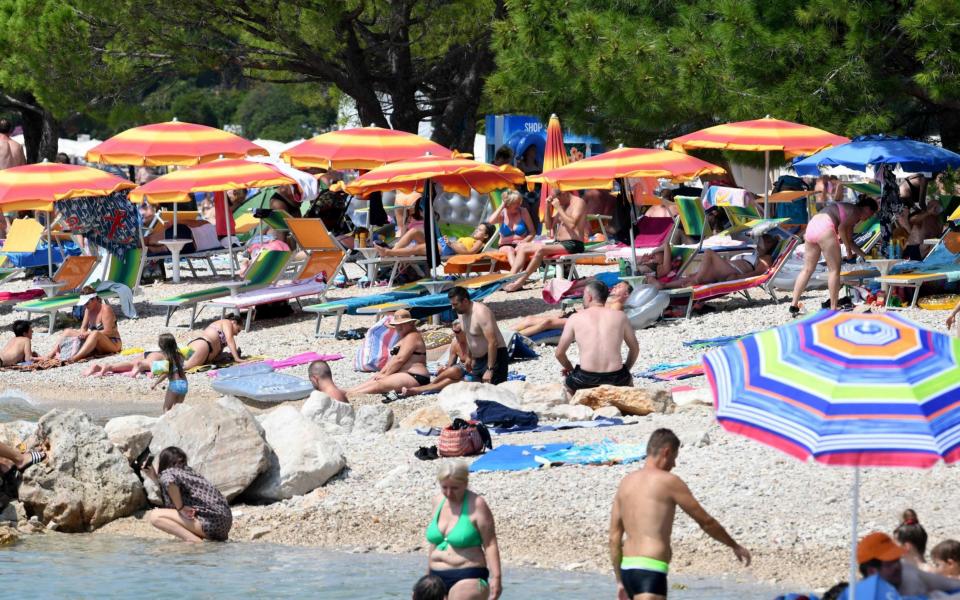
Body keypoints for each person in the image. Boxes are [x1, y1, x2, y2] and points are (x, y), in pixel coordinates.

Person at [609, 429, 750, 600]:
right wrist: (733, 545)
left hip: (627, 570)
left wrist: (620, 581)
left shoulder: (625, 483)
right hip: (651, 570)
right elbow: (706, 521)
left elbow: (614, 538)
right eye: (674, 458)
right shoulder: (669, 481)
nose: (674, 465)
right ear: (666, 452)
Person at [426, 460, 501, 600]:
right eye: (444, 487)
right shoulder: (437, 501)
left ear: (465, 484)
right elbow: (435, 543)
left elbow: (490, 543)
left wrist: (496, 578)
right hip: (435, 575)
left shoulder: (477, 504)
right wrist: (426, 576)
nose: (449, 493)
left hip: (468, 575)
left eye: (454, 488)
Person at [789, 198, 878, 314]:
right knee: (834, 270)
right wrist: (848, 250)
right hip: (825, 228)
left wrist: (865, 256)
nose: (869, 218)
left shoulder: (851, 216)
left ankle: (793, 304)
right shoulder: (855, 211)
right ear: (866, 208)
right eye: (871, 214)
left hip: (812, 227)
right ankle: (833, 307)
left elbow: (850, 241)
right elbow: (841, 230)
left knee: (807, 269)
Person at [555, 280, 639, 395]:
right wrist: (626, 370)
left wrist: (571, 370)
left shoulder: (575, 318)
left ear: (589, 296)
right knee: (629, 383)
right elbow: (635, 349)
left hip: (585, 379)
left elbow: (559, 353)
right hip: (617, 379)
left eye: (584, 295)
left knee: (567, 386)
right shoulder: (620, 316)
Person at [503, 190, 587, 292]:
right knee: (523, 247)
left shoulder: (578, 202)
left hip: (573, 243)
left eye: (556, 198)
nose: (556, 201)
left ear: (564, 193)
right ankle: (509, 278)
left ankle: (520, 282)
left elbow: (572, 225)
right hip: (559, 243)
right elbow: (549, 225)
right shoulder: (563, 204)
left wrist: (558, 208)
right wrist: (547, 206)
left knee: (541, 250)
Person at [143, 446, 232, 542]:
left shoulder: (168, 473)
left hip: (212, 523)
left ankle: (194, 541)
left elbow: (168, 479)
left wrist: (180, 508)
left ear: (163, 462)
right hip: (224, 524)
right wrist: (154, 478)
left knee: (155, 516)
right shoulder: (189, 473)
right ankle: (196, 543)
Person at [347, 309, 431, 397]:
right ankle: (349, 392)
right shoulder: (405, 337)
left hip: (416, 376)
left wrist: (386, 374)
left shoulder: (413, 336)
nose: (399, 327)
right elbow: (393, 360)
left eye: (402, 324)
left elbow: (400, 359)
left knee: (380, 384)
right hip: (404, 374)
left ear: (410, 323)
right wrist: (381, 373)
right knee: (375, 380)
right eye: (397, 325)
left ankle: (352, 394)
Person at [648, 235, 779, 290]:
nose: (761, 242)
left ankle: (697, 281)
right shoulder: (753, 253)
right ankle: (663, 286)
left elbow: (759, 272)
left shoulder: (766, 258)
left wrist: (738, 278)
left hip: (734, 272)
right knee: (691, 276)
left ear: (770, 246)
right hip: (727, 269)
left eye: (766, 241)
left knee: (709, 253)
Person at [513, 281, 633, 338]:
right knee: (529, 319)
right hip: (575, 315)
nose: (616, 286)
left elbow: (606, 320)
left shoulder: (616, 305)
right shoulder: (608, 300)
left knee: (547, 323)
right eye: (617, 285)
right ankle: (507, 333)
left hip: (582, 320)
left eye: (620, 287)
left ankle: (515, 337)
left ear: (626, 294)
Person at [388, 320, 473, 401]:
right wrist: (443, 370)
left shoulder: (475, 343)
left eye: (457, 331)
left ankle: (419, 389)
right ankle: (420, 389)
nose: (454, 334)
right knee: (452, 373)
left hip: (473, 371)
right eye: (453, 331)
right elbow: (450, 365)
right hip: (460, 370)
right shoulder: (455, 343)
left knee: (455, 375)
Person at [447, 287, 508, 384]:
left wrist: (490, 369)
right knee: (474, 392)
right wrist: (469, 357)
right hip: (477, 359)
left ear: (465, 301)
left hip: (495, 357)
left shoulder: (481, 312)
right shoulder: (461, 313)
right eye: (452, 304)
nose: (453, 308)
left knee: (494, 392)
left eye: (455, 304)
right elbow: (469, 336)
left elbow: (493, 342)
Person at [43, 290, 122, 363]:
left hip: (113, 343)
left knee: (95, 333)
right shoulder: (88, 310)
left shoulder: (105, 309)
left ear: (94, 300)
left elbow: (109, 332)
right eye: (84, 304)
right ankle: (50, 355)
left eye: (87, 303)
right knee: (67, 331)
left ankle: (75, 358)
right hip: (95, 340)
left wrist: (88, 334)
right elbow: (83, 327)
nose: (85, 306)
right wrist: (82, 334)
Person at [487, 190, 535, 263]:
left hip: (521, 243)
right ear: (508, 204)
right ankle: (516, 272)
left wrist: (524, 241)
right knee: (510, 250)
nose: (519, 205)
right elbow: (491, 221)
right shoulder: (502, 214)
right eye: (516, 203)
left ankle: (516, 272)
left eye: (519, 202)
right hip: (505, 245)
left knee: (520, 249)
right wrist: (502, 206)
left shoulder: (523, 211)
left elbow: (532, 232)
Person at [150, 333, 189, 412]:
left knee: (167, 408)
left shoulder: (166, 358)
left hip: (175, 384)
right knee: (177, 409)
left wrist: (155, 383)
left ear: (162, 346)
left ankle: (167, 424)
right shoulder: (180, 355)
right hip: (184, 383)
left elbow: (165, 374)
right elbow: (186, 359)